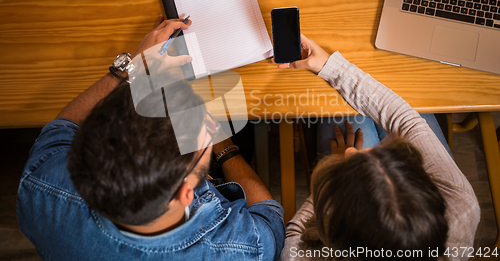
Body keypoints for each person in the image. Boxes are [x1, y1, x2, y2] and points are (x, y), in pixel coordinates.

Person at [17, 15, 285, 261]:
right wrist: (223, 144)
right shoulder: (242, 249)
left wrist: (131, 69)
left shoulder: (42, 187)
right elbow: (268, 215)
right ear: (186, 193)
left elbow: (62, 127)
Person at [275, 35, 480, 261]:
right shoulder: (461, 209)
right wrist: (329, 66)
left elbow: (295, 234)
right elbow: (407, 122)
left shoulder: (298, 256)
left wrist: (333, 178)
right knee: (400, 91)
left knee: (346, 118)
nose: (352, 152)